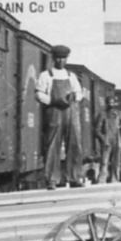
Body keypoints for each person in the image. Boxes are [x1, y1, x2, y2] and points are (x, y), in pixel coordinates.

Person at [35, 45, 85, 187]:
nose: (60, 61)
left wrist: (75, 96)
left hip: (71, 111)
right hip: (54, 111)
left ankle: (74, 177)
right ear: (53, 58)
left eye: (63, 58)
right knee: (52, 144)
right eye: (58, 58)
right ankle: (52, 179)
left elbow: (80, 93)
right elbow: (38, 94)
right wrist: (52, 100)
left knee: (74, 143)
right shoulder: (46, 75)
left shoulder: (71, 76)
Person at [93, 95, 121, 183]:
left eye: (113, 102)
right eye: (109, 102)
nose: (111, 104)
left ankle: (115, 179)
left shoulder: (118, 113)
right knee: (104, 161)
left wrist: (120, 127)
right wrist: (103, 138)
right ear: (106, 103)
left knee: (116, 161)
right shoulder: (102, 114)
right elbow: (97, 130)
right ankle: (102, 179)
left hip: (116, 138)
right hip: (107, 139)